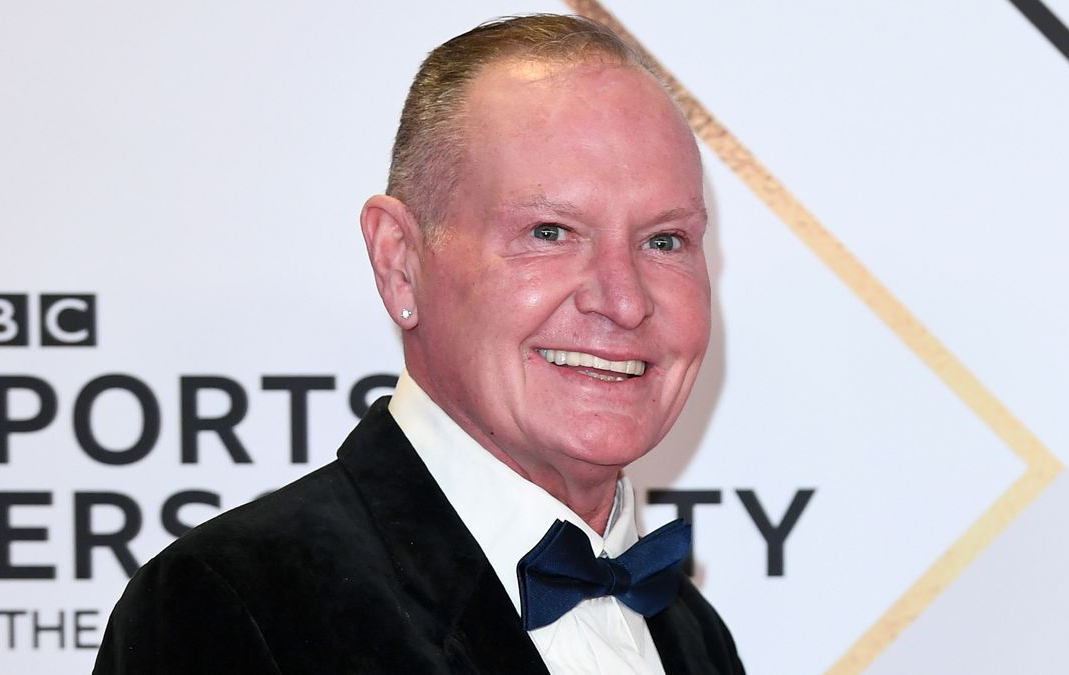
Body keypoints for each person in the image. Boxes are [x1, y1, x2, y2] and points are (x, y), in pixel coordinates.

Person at [94, 14, 744, 674]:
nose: (623, 299)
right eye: (550, 231)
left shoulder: (693, 636)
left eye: (664, 241)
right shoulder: (233, 605)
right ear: (400, 261)